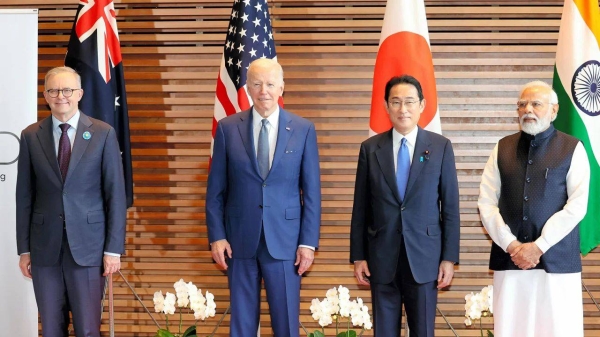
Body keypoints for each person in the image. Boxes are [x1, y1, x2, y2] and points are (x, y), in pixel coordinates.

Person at [206, 58, 321, 336]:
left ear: (282, 87)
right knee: (242, 326)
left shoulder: (303, 129)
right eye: (256, 84)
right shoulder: (227, 128)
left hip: (286, 244)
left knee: (286, 325)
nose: (264, 91)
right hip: (238, 241)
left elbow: (312, 193)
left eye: (270, 84)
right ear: (247, 88)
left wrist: (308, 243)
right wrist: (217, 236)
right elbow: (215, 191)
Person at [16, 66, 126, 337]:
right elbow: (24, 196)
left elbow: (115, 195)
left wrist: (113, 249)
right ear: (45, 95)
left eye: (67, 90)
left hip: (89, 248)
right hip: (44, 249)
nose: (60, 96)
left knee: (88, 328)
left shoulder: (103, 133)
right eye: (53, 90)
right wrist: (24, 250)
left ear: (79, 94)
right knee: (52, 328)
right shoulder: (31, 135)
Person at [350, 75, 460, 336]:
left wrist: (449, 258)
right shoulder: (370, 148)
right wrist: (358, 255)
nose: (403, 109)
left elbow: (451, 207)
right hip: (381, 258)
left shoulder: (440, 147)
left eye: (409, 101)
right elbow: (360, 208)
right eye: (396, 102)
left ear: (422, 105)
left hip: (425, 259)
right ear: (386, 106)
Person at [478, 81, 589, 337]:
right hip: (511, 260)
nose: (528, 109)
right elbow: (486, 203)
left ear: (554, 111)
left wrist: (540, 245)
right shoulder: (501, 148)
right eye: (522, 104)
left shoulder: (573, 148)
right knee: (511, 329)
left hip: (556, 263)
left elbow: (577, 205)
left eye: (536, 104)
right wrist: (512, 245)